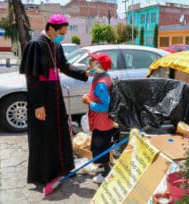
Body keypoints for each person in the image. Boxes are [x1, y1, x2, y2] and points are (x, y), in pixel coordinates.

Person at [19, 13, 88, 187]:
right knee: (43, 137)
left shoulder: (55, 46)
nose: (61, 36)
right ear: (51, 27)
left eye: (63, 34)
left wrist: (84, 73)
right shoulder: (36, 45)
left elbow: (64, 66)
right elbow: (32, 78)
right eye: (60, 33)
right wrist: (38, 105)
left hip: (56, 97)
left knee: (59, 133)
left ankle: (61, 169)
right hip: (42, 97)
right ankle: (44, 175)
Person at [81, 52, 119, 183]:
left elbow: (105, 105)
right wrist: (90, 97)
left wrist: (89, 102)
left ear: (97, 65)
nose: (88, 62)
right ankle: (102, 167)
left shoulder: (101, 83)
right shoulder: (101, 77)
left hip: (102, 122)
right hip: (101, 122)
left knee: (100, 148)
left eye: (91, 60)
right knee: (98, 146)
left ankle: (105, 174)